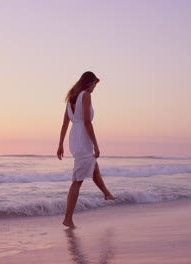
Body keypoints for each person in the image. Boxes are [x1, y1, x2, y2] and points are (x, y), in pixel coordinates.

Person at [57, 71, 116, 228]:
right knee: (77, 181)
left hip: (74, 137)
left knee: (93, 166)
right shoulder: (86, 95)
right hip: (83, 137)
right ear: (90, 83)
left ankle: (107, 194)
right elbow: (87, 122)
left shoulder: (71, 98)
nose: (94, 89)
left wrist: (61, 144)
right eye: (95, 85)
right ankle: (68, 218)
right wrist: (96, 145)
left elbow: (64, 124)